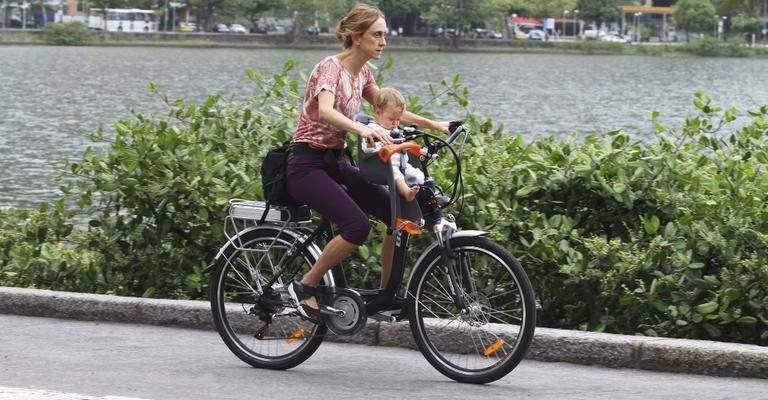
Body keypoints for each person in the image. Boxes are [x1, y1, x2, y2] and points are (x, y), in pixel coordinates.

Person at [284, 3, 449, 322]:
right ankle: (304, 286)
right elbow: (327, 111)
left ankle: (387, 295)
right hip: (306, 165)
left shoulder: (363, 74)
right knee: (357, 225)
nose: (383, 41)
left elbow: (390, 110)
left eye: (384, 34)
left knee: (395, 211)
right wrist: (364, 128)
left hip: (333, 163)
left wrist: (435, 124)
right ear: (357, 37)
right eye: (377, 34)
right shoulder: (330, 68)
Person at [362, 87, 424, 202]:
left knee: (419, 175)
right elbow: (366, 150)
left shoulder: (395, 129)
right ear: (378, 112)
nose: (395, 123)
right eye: (391, 119)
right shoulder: (373, 129)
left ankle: (422, 197)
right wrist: (371, 143)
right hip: (383, 164)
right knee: (396, 174)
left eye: (398, 120)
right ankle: (407, 193)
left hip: (401, 163)